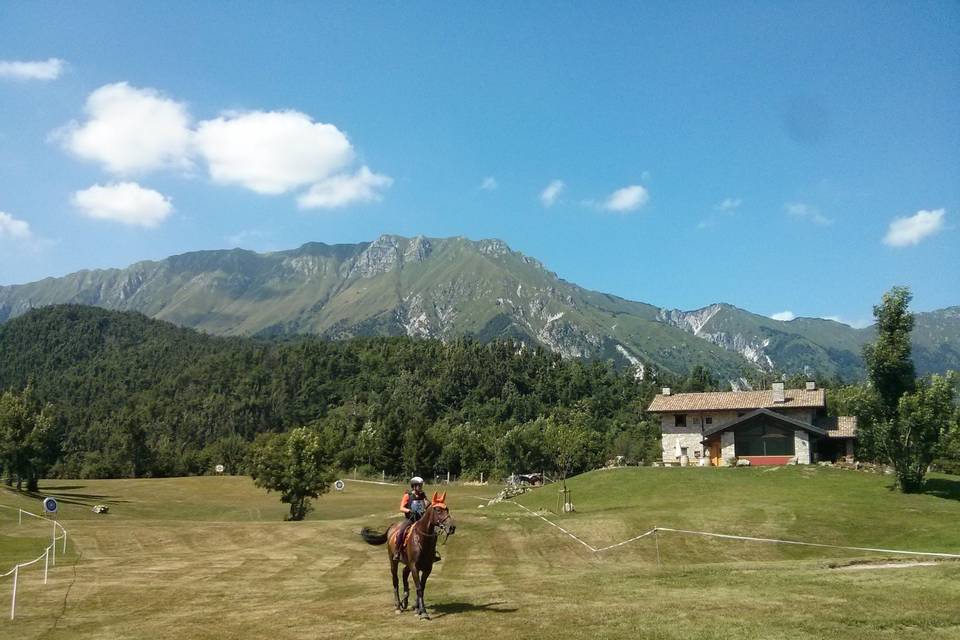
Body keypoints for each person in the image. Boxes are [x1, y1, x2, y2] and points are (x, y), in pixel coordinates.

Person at [393, 476, 440, 561]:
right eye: (419, 485)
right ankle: (397, 551)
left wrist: (429, 503)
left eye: (421, 485)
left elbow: (427, 504)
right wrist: (409, 510)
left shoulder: (423, 494)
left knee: (434, 533)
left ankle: (433, 553)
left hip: (421, 519)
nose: (420, 487)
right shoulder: (408, 495)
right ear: (414, 486)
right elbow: (401, 508)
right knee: (401, 531)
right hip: (410, 519)